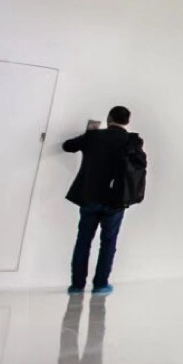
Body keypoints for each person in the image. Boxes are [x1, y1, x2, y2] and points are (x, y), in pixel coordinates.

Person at [62, 106, 146, 294]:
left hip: (90, 197)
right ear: (127, 121)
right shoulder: (132, 141)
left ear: (109, 117)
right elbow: (141, 165)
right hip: (116, 200)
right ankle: (100, 285)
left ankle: (77, 286)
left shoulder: (94, 137)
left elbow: (67, 146)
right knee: (108, 243)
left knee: (83, 241)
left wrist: (89, 133)